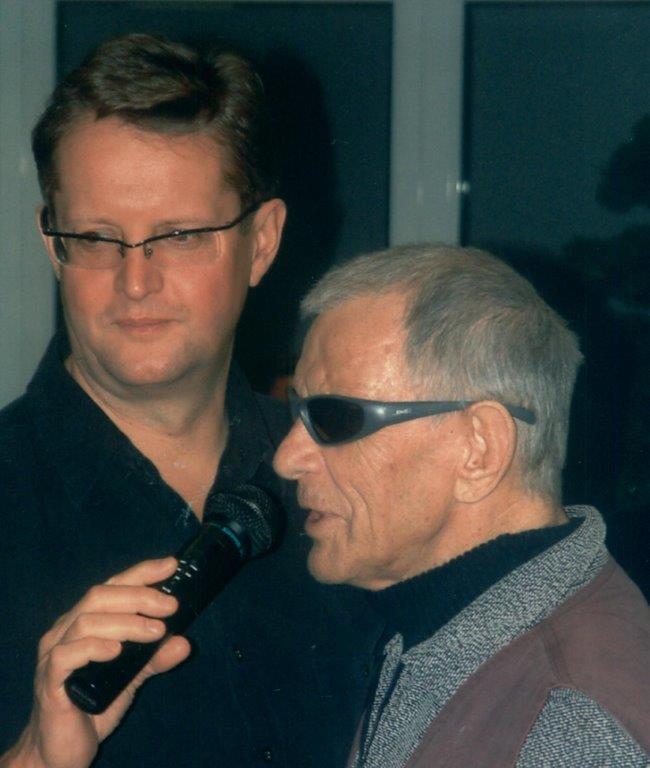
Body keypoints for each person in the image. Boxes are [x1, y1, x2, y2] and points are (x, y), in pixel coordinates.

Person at [0, 33, 381, 768]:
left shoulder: (351, 477)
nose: (136, 281)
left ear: (262, 242)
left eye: (178, 236)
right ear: (54, 247)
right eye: (97, 238)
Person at [273, 243, 650, 767]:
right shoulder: (442, 626)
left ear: (479, 449)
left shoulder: (571, 723)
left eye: (335, 418)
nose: (287, 458)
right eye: (295, 411)